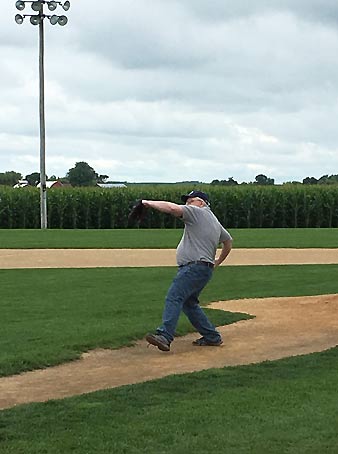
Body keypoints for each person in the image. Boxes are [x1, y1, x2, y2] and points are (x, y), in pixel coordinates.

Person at [142, 190, 233, 352]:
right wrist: (217, 261)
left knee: (174, 297)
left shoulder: (197, 212)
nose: (187, 204)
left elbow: (172, 209)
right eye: (187, 201)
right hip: (203, 269)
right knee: (189, 304)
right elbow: (228, 241)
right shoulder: (213, 220)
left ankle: (165, 335)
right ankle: (212, 337)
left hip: (193, 267)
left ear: (202, 203)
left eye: (191, 201)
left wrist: (147, 203)